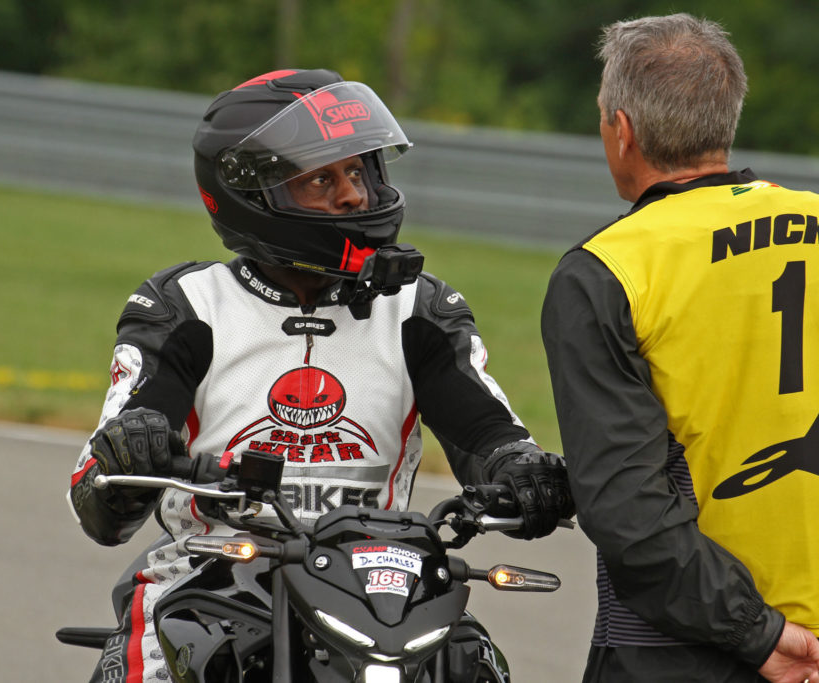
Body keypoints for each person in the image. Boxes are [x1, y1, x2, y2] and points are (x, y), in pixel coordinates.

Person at [67, 68, 572, 682]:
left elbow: (489, 434)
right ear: (252, 194)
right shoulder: (185, 307)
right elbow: (100, 498)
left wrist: (522, 471)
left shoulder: (419, 310)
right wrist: (131, 449)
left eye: (357, 173)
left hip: (385, 589)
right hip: (212, 576)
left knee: (471, 664)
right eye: (321, 179)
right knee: (178, 657)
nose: (353, 196)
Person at [541, 13, 819, 683]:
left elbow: (630, 511)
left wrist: (760, 633)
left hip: (671, 655)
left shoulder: (606, 271)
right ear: (725, 118)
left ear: (622, 129)